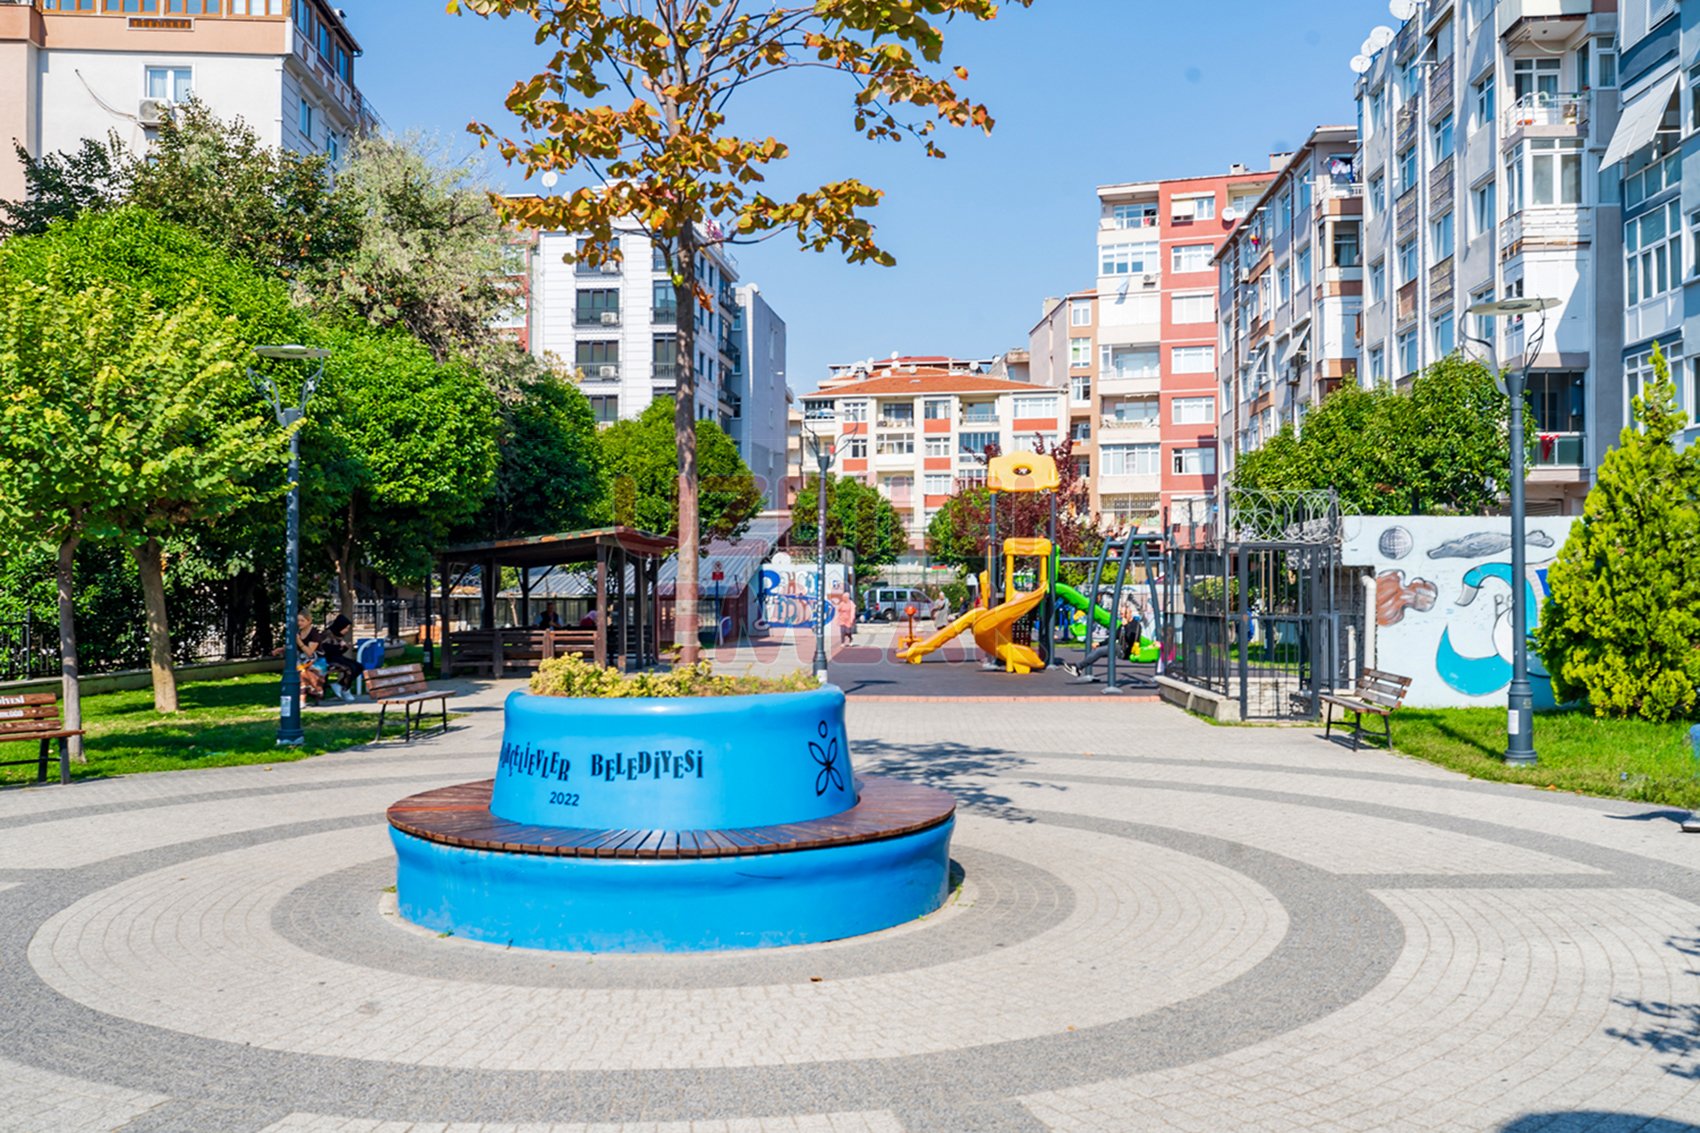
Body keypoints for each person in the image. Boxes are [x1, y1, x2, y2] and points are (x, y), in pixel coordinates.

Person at [1061, 599, 1142, 678]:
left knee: (1102, 650)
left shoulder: (1136, 625)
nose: (1123, 616)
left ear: (1130, 613)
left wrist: (1126, 626)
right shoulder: (1122, 625)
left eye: (1125, 614)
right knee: (1098, 651)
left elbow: (1131, 638)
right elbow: (1113, 637)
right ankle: (1078, 668)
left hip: (1127, 650)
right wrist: (1099, 643)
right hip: (1119, 647)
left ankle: (1078, 667)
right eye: (1121, 614)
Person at [307, 614, 362, 701]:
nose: (347, 630)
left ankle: (341, 685)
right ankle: (345, 689)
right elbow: (326, 651)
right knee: (349, 668)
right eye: (346, 628)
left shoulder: (338, 635)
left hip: (337, 658)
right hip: (326, 660)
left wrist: (344, 647)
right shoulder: (327, 635)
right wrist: (339, 646)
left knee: (358, 666)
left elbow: (338, 652)